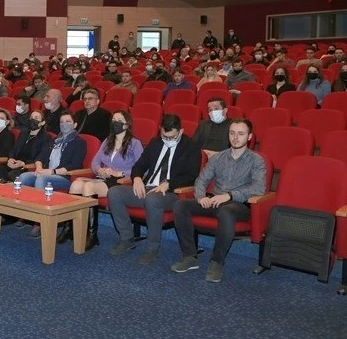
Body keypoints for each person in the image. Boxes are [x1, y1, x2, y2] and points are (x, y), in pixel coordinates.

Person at [172, 119, 266, 282]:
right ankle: (189, 257)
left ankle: (216, 262)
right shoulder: (218, 157)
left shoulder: (256, 160)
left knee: (226, 211)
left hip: (238, 205)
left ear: (249, 137)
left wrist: (230, 195)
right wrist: (201, 197)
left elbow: (258, 188)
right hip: (214, 200)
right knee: (181, 205)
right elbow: (201, 179)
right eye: (232, 133)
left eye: (240, 134)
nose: (235, 137)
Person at [108, 114, 201, 266]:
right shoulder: (155, 142)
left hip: (171, 193)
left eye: (172, 137)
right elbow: (139, 166)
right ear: (160, 130)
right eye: (164, 136)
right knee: (114, 192)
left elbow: (192, 176)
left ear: (181, 131)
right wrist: (137, 178)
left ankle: (152, 248)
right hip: (148, 188)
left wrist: (169, 183)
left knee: (152, 199)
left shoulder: (191, 147)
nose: (168, 140)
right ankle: (127, 238)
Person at [62, 110, 143, 250]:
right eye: (114, 120)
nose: (115, 123)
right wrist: (99, 170)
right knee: (75, 185)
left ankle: (91, 235)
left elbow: (142, 168)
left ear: (127, 124)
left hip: (121, 181)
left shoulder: (135, 144)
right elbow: (95, 162)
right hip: (103, 177)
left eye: (119, 120)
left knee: (88, 187)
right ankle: (71, 228)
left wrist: (119, 172)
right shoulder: (107, 141)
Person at [20, 111, 86, 237]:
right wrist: (39, 167)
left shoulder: (79, 142)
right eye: (62, 122)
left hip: (64, 177)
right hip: (46, 172)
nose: (64, 124)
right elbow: (40, 157)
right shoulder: (54, 140)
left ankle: (40, 222)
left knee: (41, 180)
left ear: (75, 125)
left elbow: (75, 165)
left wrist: (52, 171)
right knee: (23, 177)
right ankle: (26, 214)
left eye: (68, 122)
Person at [0, 110, 51, 182]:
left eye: (36, 118)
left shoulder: (45, 137)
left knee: (12, 174)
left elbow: (41, 157)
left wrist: (23, 163)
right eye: (31, 117)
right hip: (15, 163)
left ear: (42, 122)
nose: (32, 120)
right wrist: (10, 158)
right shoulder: (23, 133)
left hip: (27, 166)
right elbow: (14, 149)